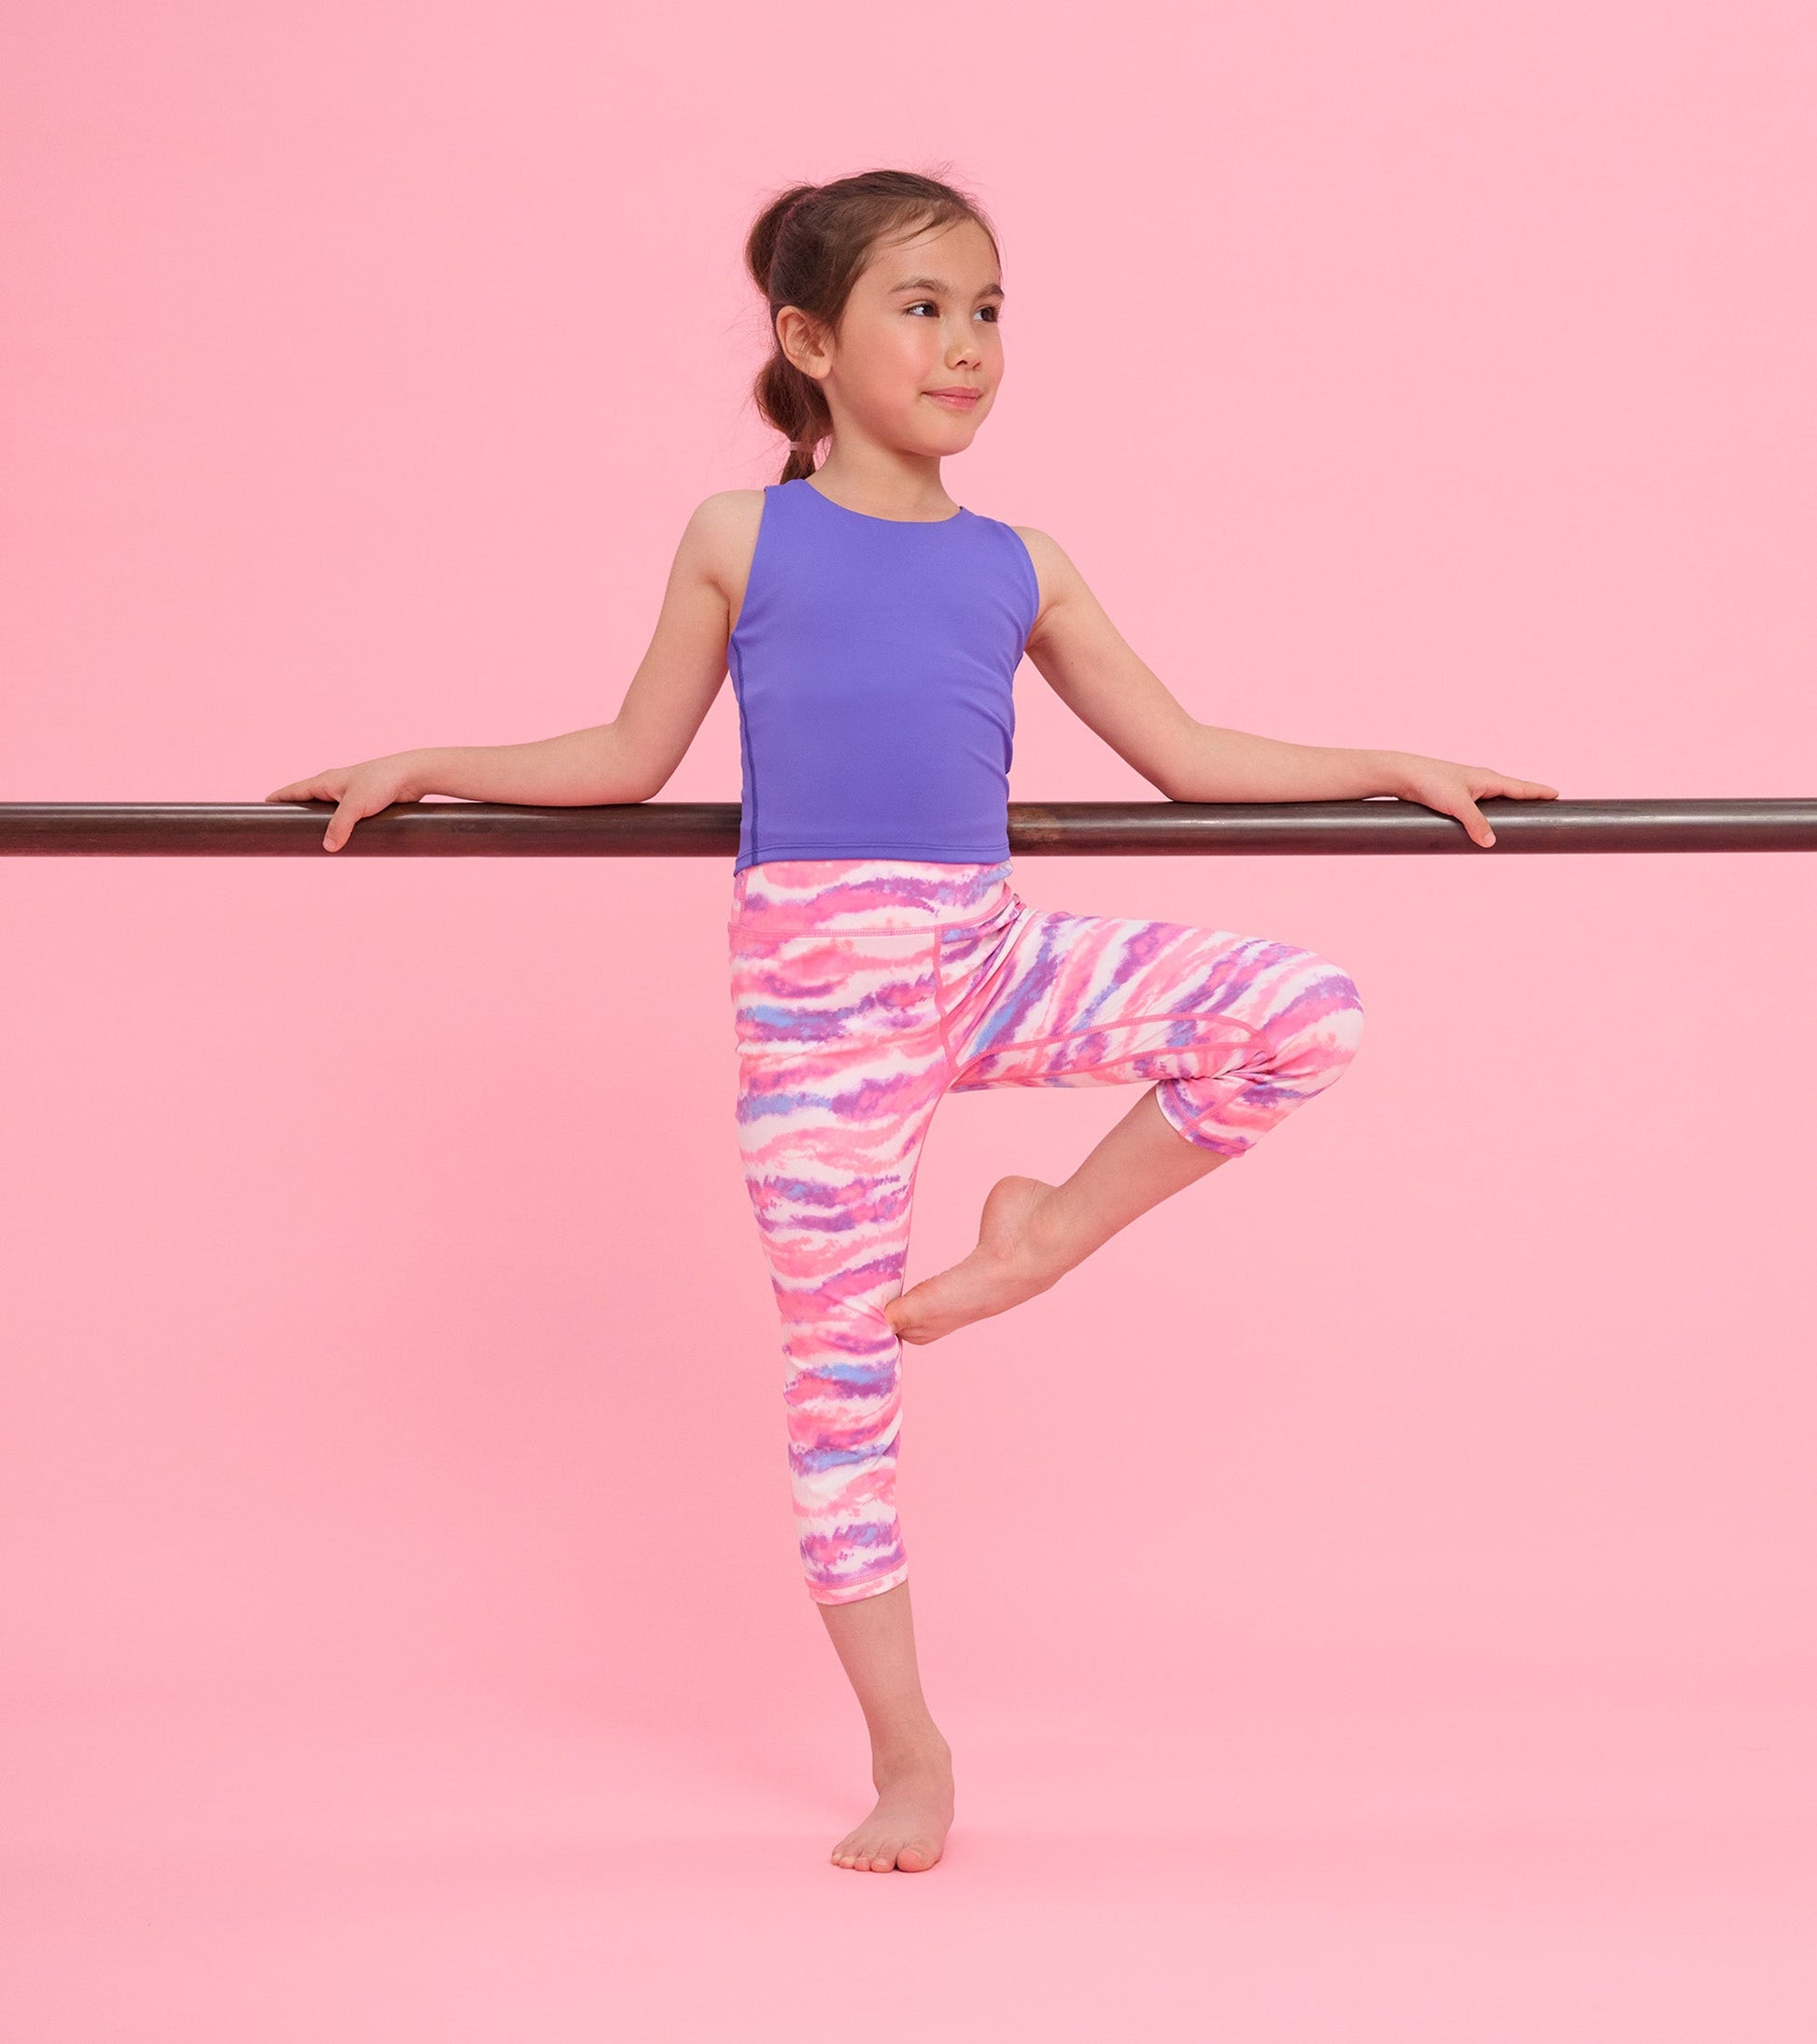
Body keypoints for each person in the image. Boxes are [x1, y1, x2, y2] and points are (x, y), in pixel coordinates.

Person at [266, 166, 1559, 1877]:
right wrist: (419, 761)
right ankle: (911, 1753)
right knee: (838, 1388)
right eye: (921, 306)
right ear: (808, 340)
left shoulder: (1021, 562)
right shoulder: (743, 534)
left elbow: (1186, 756)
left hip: (982, 949)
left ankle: (1034, 1242)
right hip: (820, 1014)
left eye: (989, 309)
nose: (965, 344)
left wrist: (1393, 758)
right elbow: (626, 758)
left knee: (1300, 1009)